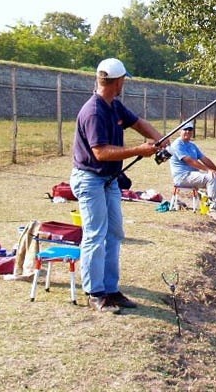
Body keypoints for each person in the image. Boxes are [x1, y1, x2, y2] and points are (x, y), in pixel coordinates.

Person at [71, 57, 167, 314]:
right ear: (117, 82)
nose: (124, 83)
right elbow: (100, 152)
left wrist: (160, 139)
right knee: (95, 234)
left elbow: (138, 123)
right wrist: (140, 150)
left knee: (115, 234)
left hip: (110, 180)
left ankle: (111, 289)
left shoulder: (114, 104)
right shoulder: (93, 112)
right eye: (123, 80)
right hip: (90, 179)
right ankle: (95, 292)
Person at [169, 121, 216, 223]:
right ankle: (212, 209)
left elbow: (204, 159)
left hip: (193, 175)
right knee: (211, 177)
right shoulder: (177, 145)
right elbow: (189, 161)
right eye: (185, 129)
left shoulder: (192, 145)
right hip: (182, 177)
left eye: (190, 130)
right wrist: (208, 170)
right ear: (180, 130)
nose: (188, 132)